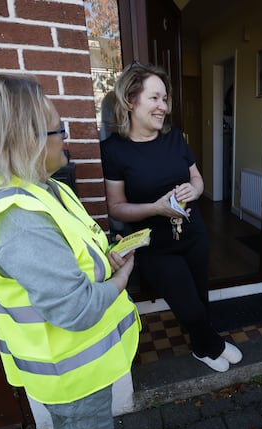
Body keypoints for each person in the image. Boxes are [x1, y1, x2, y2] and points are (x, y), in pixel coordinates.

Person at [0, 74, 139, 429]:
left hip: (82, 363)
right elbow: (76, 309)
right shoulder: (19, 220)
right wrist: (121, 278)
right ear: (26, 139)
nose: (66, 140)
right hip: (67, 366)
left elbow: (77, 254)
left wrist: (107, 254)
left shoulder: (47, 189)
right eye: (58, 130)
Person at [101, 62, 242, 373]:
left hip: (193, 233)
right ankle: (212, 345)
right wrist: (155, 208)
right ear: (130, 101)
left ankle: (200, 347)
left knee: (199, 297)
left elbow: (197, 179)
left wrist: (193, 191)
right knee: (187, 305)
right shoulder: (113, 150)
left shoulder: (176, 138)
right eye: (154, 98)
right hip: (154, 243)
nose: (163, 106)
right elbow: (116, 207)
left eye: (164, 99)